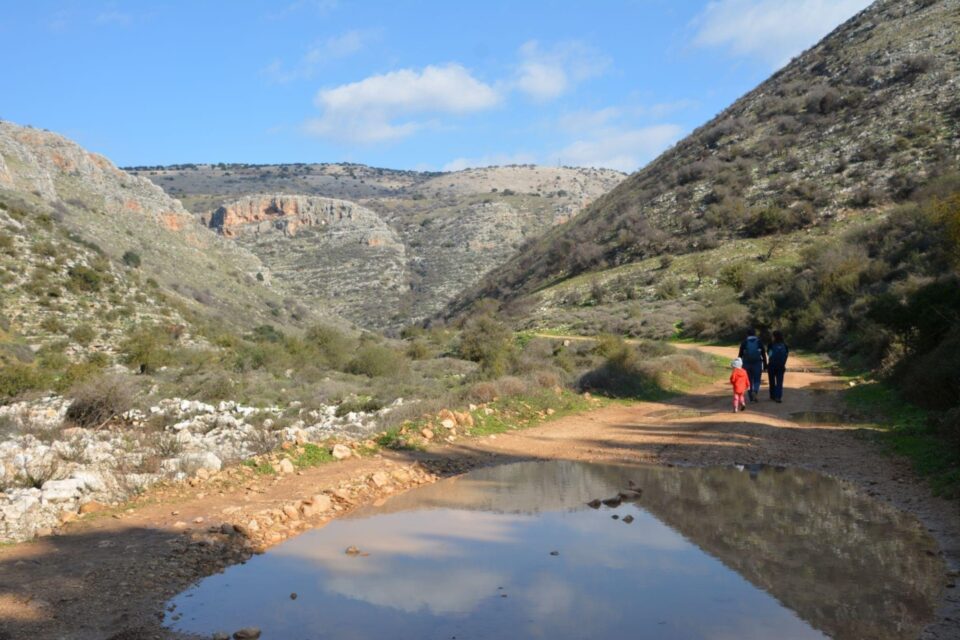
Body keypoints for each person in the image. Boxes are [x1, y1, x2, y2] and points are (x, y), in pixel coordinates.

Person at [738, 328, 767, 402]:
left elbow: (740, 355)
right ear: (755, 334)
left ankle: (751, 397)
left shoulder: (744, 342)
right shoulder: (759, 342)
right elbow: (763, 354)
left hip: (746, 363)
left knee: (748, 380)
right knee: (757, 379)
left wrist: (738, 365)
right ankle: (755, 391)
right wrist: (765, 364)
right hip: (757, 363)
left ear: (747, 334)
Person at [767, 330, 789, 403]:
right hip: (781, 366)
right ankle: (778, 397)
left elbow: (769, 354)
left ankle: (772, 395)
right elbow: (786, 355)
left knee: (772, 381)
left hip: (772, 365)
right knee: (779, 382)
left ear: (774, 336)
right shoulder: (784, 345)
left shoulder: (771, 344)